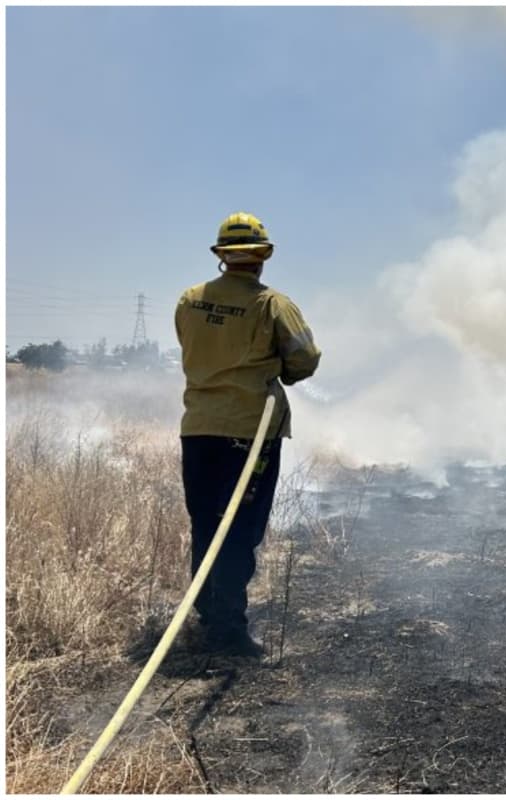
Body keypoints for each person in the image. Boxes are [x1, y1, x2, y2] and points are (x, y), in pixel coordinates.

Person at [175, 211, 321, 657]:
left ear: (221, 255)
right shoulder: (273, 305)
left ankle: (206, 615)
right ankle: (229, 632)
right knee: (239, 530)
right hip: (249, 434)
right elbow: (305, 358)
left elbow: (192, 347)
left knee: (206, 524)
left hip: (198, 431)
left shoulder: (189, 300)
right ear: (263, 257)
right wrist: (273, 368)